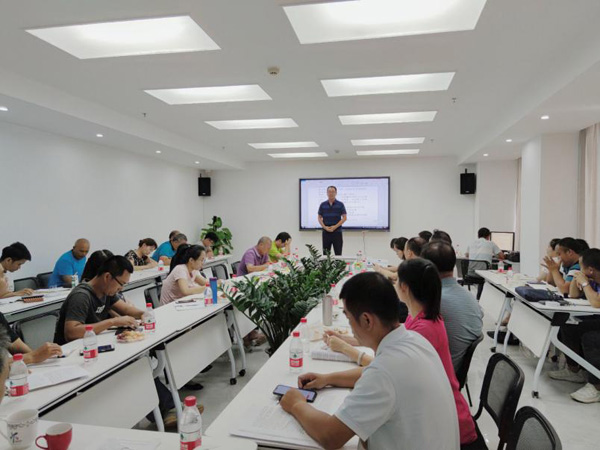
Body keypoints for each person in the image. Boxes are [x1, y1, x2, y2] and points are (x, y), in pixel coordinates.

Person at [280, 272, 460, 450]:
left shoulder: (383, 373)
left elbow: (331, 436)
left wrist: (296, 404)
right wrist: (328, 378)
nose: (350, 327)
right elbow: (373, 372)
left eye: (349, 318)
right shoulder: (415, 339)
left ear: (367, 320)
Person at [395, 259, 478, 448]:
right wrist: (351, 341)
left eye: (397, 280)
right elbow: (394, 339)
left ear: (405, 287)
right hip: (441, 416)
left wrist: (348, 352)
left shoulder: (423, 330)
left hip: (450, 429)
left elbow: (387, 370)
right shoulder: (421, 316)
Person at [421, 241, 483, 373]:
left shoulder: (435, 301)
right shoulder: (470, 296)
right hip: (456, 370)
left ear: (426, 269)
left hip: (439, 374)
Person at [53, 255, 143, 345]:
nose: (121, 288)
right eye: (121, 284)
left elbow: (126, 309)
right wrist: (113, 322)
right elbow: (71, 333)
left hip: (91, 344)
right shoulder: (81, 296)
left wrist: (144, 314)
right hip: (73, 349)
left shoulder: (107, 291)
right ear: (107, 277)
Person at [549, 248, 600, 402]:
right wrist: (577, 280)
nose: (579, 268)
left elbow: (596, 302)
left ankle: (596, 386)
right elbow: (573, 295)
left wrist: (584, 283)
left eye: (581, 266)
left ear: (590, 270)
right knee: (568, 326)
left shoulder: (590, 281)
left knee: (591, 337)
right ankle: (574, 370)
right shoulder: (592, 280)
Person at [318, 186, 347, 256]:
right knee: (326, 255)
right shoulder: (322, 204)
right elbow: (319, 217)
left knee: (338, 254)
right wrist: (325, 227)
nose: (331, 193)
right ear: (327, 193)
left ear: (336, 193)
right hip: (326, 232)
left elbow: (344, 218)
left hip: (337, 232)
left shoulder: (340, 204)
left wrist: (335, 227)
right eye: (329, 192)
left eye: (333, 192)